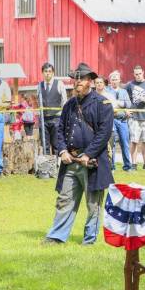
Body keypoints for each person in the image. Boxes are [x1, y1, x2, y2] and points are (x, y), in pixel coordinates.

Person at [43, 63, 114, 245]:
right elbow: (60, 131)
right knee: (64, 199)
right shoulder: (69, 105)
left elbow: (104, 133)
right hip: (71, 160)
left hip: (91, 162)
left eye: (81, 79)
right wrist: (63, 150)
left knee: (93, 204)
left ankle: (89, 240)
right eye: (76, 79)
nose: (78, 83)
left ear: (90, 81)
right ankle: (57, 236)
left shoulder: (102, 104)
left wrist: (88, 154)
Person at [125, 65, 145, 170]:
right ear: (133, 74)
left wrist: (144, 99)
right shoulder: (130, 85)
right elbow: (125, 99)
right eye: (136, 74)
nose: (138, 76)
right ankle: (133, 164)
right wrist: (127, 110)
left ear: (143, 73)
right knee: (134, 141)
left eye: (139, 73)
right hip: (134, 117)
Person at [38, 62, 69, 154]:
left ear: (53, 73)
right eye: (45, 71)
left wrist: (64, 117)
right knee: (45, 145)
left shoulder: (59, 84)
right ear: (42, 73)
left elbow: (64, 101)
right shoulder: (39, 85)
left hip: (56, 118)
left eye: (49, 71)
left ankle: (58, 165)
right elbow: (39, 102)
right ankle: (47, 166)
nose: (47, 73)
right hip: (44, 119)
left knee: (56, 144)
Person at [106, 70, 133, 171]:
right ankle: (112, 166)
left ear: (119, 80)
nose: (114, 81)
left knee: (125, 144)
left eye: (116, 79)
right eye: (113, 79)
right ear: (110, 81)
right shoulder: (107, 91)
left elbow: (129, 104)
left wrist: (120, 104)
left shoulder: (124, 91)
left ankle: (127, 166)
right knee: (111, 144)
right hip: (111, 121)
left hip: (123, 121)